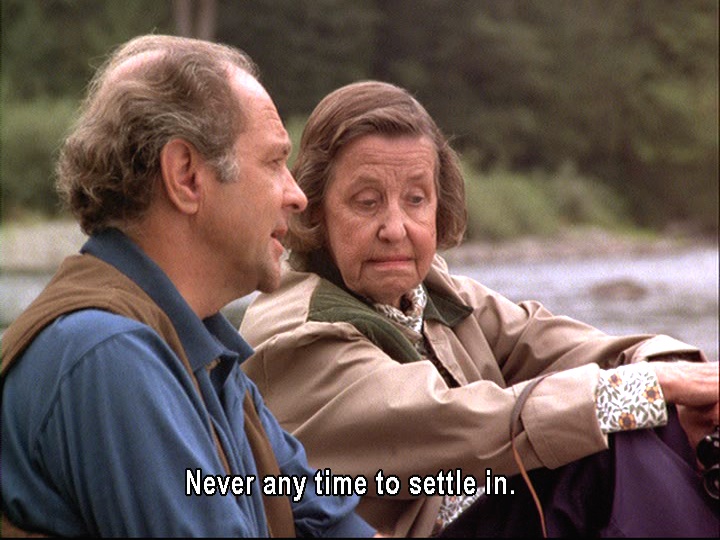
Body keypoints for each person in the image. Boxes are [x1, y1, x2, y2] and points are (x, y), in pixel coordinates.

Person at [239, 80, 720, 537]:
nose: (395, 228)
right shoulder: (298, 331)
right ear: (315, 210)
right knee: (606, 444)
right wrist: (641, 391)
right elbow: (451, 421)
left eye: (416, 200)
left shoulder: (430, 291)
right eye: (367, 202)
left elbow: (552, 341)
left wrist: (679, 379)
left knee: (658, 421)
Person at [0, 35, 377, 538]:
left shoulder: (202, 350)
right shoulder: (110, 355)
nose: (297, 196)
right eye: (273, 162)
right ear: (186, 176)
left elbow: (325, 519)